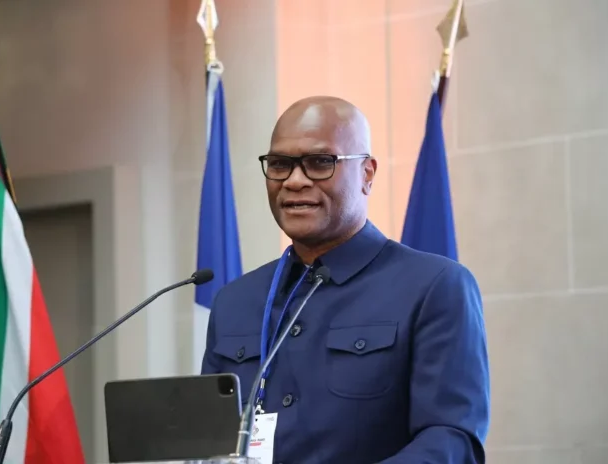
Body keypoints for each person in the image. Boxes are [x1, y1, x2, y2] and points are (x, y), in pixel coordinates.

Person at [201, 96, 490, 463]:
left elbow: (451, 439)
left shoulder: (435, 287)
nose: (294, 181)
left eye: (320, 162)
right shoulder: (234, 301)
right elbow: (208, 441)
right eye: (279, 164)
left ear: (367, 174)